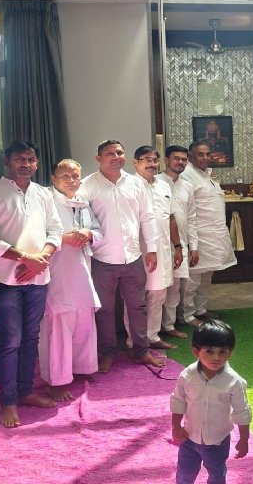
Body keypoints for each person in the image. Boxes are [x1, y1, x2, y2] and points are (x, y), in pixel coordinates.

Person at [0, 140, 63, 428]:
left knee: (31, 337)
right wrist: (25, 258)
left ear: (36, 163)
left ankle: (26, 392)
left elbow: (55, 229)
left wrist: (42, 258)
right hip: (4, 279)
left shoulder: (43, 194)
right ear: (7, 161)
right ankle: (8, 401)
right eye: (19, 159)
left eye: (30, 159)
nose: (25, 164)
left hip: (39, 277)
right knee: (11, 340)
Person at [77, 140, 165, 373]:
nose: (116, 157)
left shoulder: (135, 184)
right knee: (105, 309)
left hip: (133, 257)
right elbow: (79, 219)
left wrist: (152, 249)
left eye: (119, 152)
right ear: (98, 158)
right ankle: (108, 353)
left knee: (138, 306)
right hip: (102, 258)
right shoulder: (87, 185)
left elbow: (147, 217)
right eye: (110, 153)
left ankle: (141, 350)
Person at [41, 159, 102, 402]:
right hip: (57, 270)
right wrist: (62, 239)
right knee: (59, 324)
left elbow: (99, 231)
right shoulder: (45, 200)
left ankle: (82, 367)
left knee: (84, 319)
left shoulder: (83, 202)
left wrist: (88, 234)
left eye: (75, 176)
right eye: (65, 176)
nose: (71, 180)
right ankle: (56, 380)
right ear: (53, 178)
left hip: (83, 270)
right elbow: (36, 234)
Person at [170, 320, 251, 484]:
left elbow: (242, 411)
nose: (216, 357)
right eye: (209, 351)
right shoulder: (187, 376)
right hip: (189, 438)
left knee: (217, 474)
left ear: (230, 353)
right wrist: (176, 427)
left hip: (217, 441)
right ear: (196, 352)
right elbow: (178, 401)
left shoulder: (234, 381)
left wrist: (244, 439)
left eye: (222, 352)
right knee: (184, 473)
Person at [180, 141, 236, 325]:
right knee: (193, 278)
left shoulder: (206, 175)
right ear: (191, 156)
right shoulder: (186, 176)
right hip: (198, 235)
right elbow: (188, 210)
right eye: (200, 154)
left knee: (207, 276)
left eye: (207, 154)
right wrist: (191, 242)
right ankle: (187, 314)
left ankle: (200, 309)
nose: (205, 158)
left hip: (214, 234)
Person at [131, 146, 181, 351]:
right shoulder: (129, 185)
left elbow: (171, 218)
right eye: (147, 160)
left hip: (162, 248)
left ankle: (152, 336)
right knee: (136, 298)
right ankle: (134, 340)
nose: (152, 164)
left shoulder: (163, 185)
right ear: (135, 163)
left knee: (158, 294)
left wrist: (178, 246)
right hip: (137, 249)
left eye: (154, 160)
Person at [156, 145, 199, 339]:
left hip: (180, 245)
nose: (180, 162)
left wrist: (194, 247)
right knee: (157, 290)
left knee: (175, 289)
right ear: (166, 160)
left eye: (184, 159)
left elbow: (191, 218)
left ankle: (169, 325)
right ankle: (153, 329)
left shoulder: (187, 186)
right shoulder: (155, 182)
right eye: (176, 158)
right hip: (158, 245)